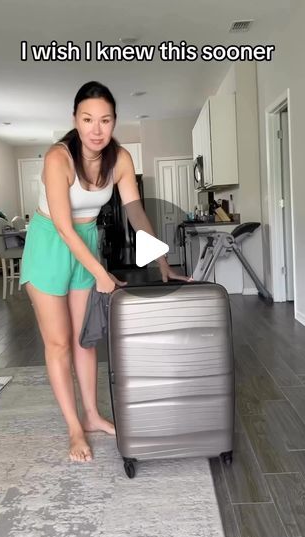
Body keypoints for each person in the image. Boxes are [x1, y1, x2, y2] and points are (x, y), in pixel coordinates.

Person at [20, 81, 188, 463]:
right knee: (59, 341)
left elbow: (135, 211)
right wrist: (101, 273)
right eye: (88, 119)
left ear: (114, 122)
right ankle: (74, 427)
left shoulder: (121, 159)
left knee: (85, 338)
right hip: (50, 243)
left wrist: (160, 257)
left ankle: (93, 415)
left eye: (105, 120)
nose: (96, 129)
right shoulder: (58, 158)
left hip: (86, 240)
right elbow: (63, 226)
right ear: (75, 121)